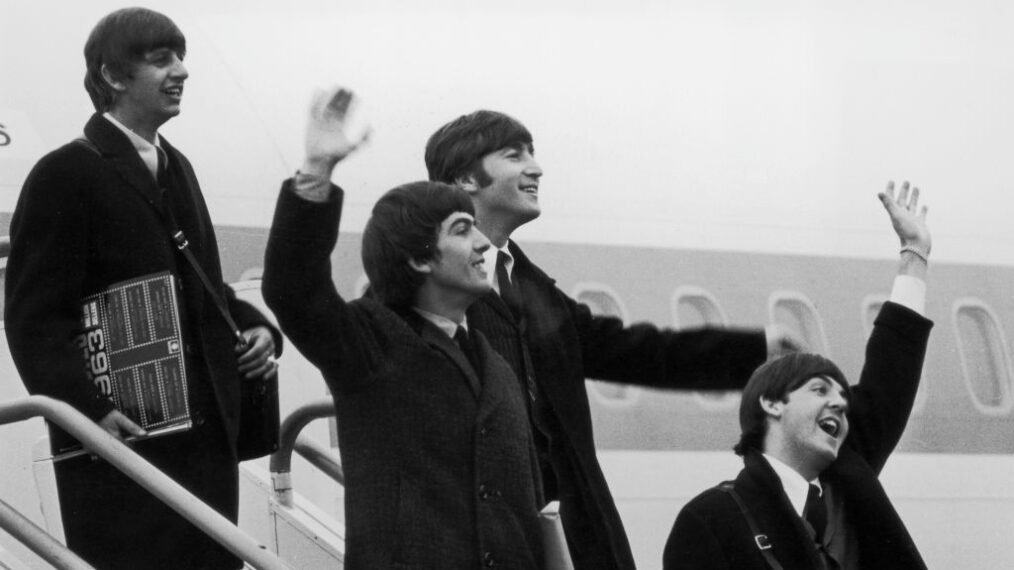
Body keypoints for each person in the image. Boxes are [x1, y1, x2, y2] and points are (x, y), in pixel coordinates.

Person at [425, 110, 804, 569]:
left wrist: (754, 349)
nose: (536, 168)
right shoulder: (430, 291)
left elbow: (640, 353)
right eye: (514, 155)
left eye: (532, 153)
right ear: (466, 177)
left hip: (571, 535)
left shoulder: (536, 291)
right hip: (488, 539)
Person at [4, 8, 280, 569]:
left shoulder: (178, 168)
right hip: (122, 444)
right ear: (112, 76)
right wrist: (89, 413)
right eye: (161, 60)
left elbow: (203, 288)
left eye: (181, 58)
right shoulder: (65, 173)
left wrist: (256, 326)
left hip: (202, 445)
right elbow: (34, 317)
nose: (181, 71)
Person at [262, 88, 544, 569]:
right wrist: (317, 169)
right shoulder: (370, 344)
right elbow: (294, 288)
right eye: (461, 229)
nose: (481, 245)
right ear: (416, 258)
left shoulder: (495, 368)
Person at [662, 182, 933, 570]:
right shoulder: (710, 519)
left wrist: (915, 254)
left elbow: (891, 372)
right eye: (820, 389)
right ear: (772, 403)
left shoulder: (848, 484)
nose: (840, 401)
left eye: (842, 394)